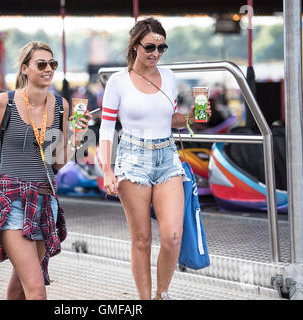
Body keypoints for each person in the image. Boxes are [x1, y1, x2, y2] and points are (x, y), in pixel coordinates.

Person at [0, 41, 92, 299]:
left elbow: (56, 163)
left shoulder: (61, 106)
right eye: (41, 64)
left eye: (52, 64)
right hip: (11, 201)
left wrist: (77, 138)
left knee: (19, 288)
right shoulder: (5, 103)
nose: (48, 69)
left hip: (44, 200)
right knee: (36, 290)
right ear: (24, 69)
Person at [99, 17, 211, 300]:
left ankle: (162, 293)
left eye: (162, 48)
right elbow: (106, 129)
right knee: (142, 240)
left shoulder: (170, 77)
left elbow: (170, 119)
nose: (156, 53)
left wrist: (195, 118)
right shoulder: (118, 81)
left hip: (167, 155)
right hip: (132, 157)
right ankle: (145, 299)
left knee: (173, 237)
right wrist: (107, 170)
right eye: (150, 47)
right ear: (135, 46)